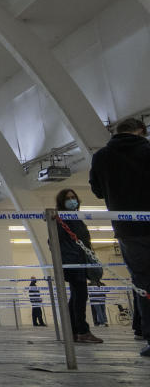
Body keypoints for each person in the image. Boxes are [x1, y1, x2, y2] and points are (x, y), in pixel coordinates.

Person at [89, 117, 150, 357]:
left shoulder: (101, 156)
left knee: (143, 282)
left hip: (127, 229)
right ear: (141, 131)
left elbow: (96, 190)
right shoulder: (147, 150)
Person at [52, 188, 102, 343]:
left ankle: (73, 331)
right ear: (62, 202)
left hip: (81, 263)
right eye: (68, 198)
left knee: (76, 297)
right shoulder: (62, 219)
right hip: (73, 264)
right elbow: (53, 241)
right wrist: (73, 255)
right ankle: (82, 331)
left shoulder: (76, 218)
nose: (72, 200)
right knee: (80, 297)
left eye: (74, 197)